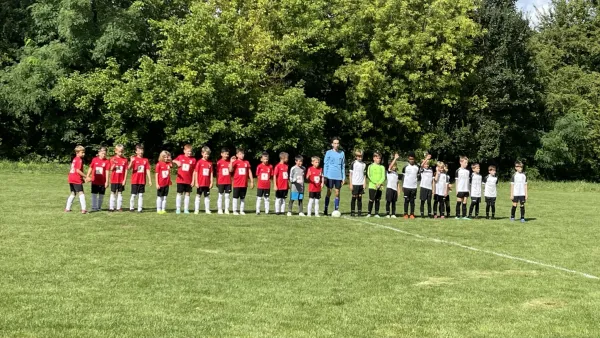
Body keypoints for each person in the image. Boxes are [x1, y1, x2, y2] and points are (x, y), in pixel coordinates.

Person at [323, 137, 345, 216]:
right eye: (335, 143)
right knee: (329, 192)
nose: (336, 145)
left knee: (337, 192)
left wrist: (343, 177)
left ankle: (336, 209)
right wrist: (325, 176)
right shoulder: (328, 152)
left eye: (337, 143)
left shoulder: (342, 153)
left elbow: (343, 165)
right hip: (329, 176)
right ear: (332, 144)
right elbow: (325, 164)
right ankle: (325, 209)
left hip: (338, 176)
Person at [173, 144, 197, 214]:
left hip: (189, 181)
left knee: (187, 194)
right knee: (179, 194)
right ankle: (178, 208)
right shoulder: (180, 157)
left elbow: (194, 171)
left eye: (190, 151)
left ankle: (186, 209)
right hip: (180, 180)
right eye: (188, 151)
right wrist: (176, 161)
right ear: (184, 151)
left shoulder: (193, 159)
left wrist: (193, 180)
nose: (189, 153)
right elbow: (172, 160)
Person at [128, 144, 152, 212]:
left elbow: (147, 170)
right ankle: (131, 207)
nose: (141, 152)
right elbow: (128, 168)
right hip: (135, 180)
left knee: (141, 195)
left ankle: (140, 208)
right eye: (139, 150)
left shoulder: (145, 160)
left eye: (142, 150)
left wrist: (150, 180)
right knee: (133, 195)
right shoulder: (134, 159)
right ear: (136, 151)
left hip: (142, 181)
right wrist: (131, 162)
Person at [65, 145, 89, 213]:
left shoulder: (74, 159)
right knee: (81, 192)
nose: (83, 154)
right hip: (76, 178)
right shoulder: (79, 160)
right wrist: (86, 176)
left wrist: (82, 179)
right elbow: (78, 170)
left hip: (71, 177)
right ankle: (83, 209)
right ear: (77, 152)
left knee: (73, 192)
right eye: (82, 152)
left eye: (84, 152)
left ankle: (67, 208)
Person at [229, 148, 253, 215]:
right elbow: (230, 170)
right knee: (235, 197)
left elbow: (249, 172)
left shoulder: (246, 162)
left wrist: (251, 181)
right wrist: (231, 162)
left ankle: (242, 210)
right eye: (240, 154)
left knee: (242, 198)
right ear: (237, 155)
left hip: (244, 184)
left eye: (243, 154)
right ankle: (235, 210)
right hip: (237, 184)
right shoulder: (235, 162)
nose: (242, 155)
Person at [87, 146, 111, 212]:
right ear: (99, 153)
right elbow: (91, 168)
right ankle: (94, 207)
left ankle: (99, 207)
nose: (104, 155)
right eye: (102, 153)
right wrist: (87, 176)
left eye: (105, 154)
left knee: (101, 195)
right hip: (94, 180)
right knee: (94, 194)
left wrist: (107, 181)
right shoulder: (94, 159)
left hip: (102, 181)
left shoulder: (107, 161)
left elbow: (107, 171)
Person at [194, 146, 213, 214]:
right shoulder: (199, 162)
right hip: (200, 183)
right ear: (202, 153)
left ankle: (207, 210)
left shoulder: (210, 163)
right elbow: (196, 172)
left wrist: (211, 182)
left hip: (207, 183)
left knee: (207, 196)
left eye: (208, 154)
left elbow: (211, 173)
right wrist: (196, 182)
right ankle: (196, 210)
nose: (207, 155)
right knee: (198, 195)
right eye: (205, 154)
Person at [108, 144, 128, 212]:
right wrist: (114, 165)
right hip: (114, 179)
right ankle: (111, 207)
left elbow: (126, 170)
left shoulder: (125, 160)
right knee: (113, 192)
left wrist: (124, 180)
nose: (121, 153)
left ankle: (119, 207)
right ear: (115, 151)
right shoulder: (112, 159)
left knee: (120, 193)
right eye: (119, 151)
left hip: (121, 180)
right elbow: (110, 169)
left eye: (122, 151)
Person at [366, 152, 385, 217]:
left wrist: (379, 183)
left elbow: (383, 177)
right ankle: (369, 213)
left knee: (377, 200)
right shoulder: (370, 166)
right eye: (377, 158)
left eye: (380, 158)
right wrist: (375, 183)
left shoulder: (382, 167)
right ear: (374, 158)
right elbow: (369, 176)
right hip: (372, 186)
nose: (379, 159)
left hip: (380, 186)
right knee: (371, 199)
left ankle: (376, 213)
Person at [402, 153, 419, 219]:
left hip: (414, 187)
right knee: (406, 200)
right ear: (408, 159)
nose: (411, 160)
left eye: (412, 159)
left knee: (412, 201)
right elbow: (403, 177)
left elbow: (418, 176)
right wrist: (403, 186)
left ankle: (412, 213)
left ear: (414, 159)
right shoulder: (405, 167)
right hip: (406, 186)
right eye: (410, 159)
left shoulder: (417, 167)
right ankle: (405, 213)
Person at [349, 150, 366, 217]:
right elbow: (350, 174)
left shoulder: (364, 164)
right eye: (358, 156)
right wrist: (351, 183)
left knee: (360, 197)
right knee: (354, 196)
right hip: (355, 183)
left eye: (361, 156)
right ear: (356, 156)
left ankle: (359, 212)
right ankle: (352, 212)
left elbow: (364, 175)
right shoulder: (353, 163)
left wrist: (364, 183)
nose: (360, 158)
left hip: (361, 183)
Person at [216, 148, 232, 214]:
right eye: (225, 154)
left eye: (227, 154)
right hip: (221, 182)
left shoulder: (229, 162)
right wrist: (217, 181)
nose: (226, 155)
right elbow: (217, 173)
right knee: (220, 195)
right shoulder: (219, 162)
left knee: (227, 196)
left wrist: (231, 162)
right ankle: (219, 209)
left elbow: (231, 170)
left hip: (228, 182)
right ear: (221, 154)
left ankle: (226, 209)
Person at [385, 153, 401, 218]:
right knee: (388, 202)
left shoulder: (396, 174)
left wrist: (398, 190)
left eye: (395, 166)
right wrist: (395, 158)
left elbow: (397, 183)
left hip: (395, 189)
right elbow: (390, 166)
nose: (394, 167)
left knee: (394, 202)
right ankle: (388, 214)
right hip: (389, 188)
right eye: (393, 166)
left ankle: (393, 213)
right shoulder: (389, 172)